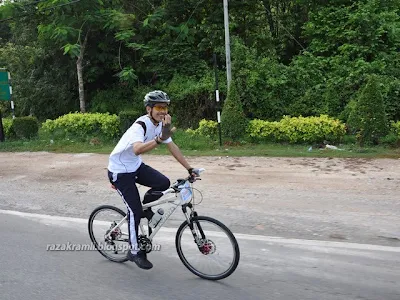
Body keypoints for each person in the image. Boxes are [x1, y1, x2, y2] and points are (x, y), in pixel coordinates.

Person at [107, 90, 200, 270]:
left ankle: (144, 209)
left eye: (165, 107)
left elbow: (172, 147)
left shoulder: (160, 125)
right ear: (149, 109)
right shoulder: (140, 126)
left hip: (135, 167)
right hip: (120, 172)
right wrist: (159, 139)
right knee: (133, 211)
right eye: (158, 107)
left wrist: (189, 168)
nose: (163, 111)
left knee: (163, 183)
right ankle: (134, 252)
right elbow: (137, 149)